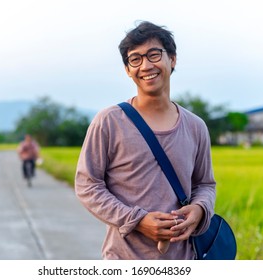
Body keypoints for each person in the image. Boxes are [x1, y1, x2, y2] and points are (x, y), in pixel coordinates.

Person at [75, 21, 216, 260]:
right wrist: (137, 220)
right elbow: (88, 185)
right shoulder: (109, 121)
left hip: (184, 258)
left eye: (154, 54)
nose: (146, 65)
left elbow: (204, 185)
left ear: (172, 59)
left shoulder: (195, 126)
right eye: (135, 59)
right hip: (123, 257)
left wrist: (200, 210)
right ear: (127, 70)